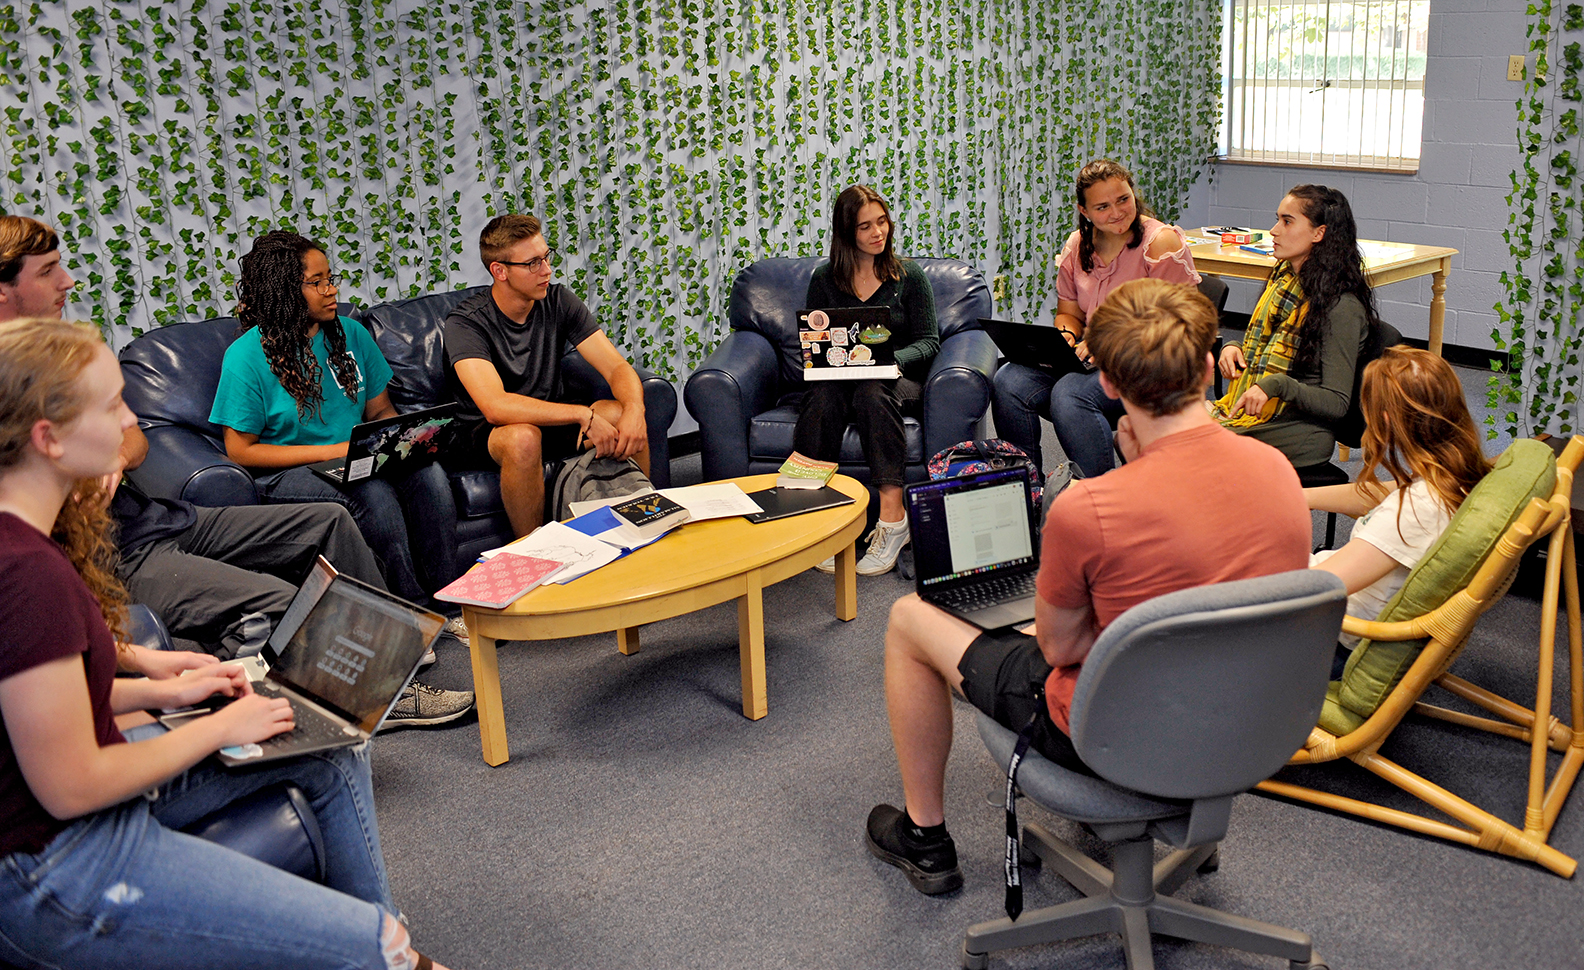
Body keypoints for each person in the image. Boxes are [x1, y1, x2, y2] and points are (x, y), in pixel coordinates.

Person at [0, 317, 453, 970]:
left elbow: (46, 697)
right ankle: (384, 949)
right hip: (63, 866)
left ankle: (380, 944)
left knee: (324, 751)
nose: (132, 421)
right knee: (377, 948)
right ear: (49, 439)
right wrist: (219, 728)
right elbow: (72, 785)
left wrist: (168, 689)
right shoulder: (28, 572)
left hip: (76, 825)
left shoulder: (26, 546)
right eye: (112, 406)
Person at [865, 278, 1311, 895]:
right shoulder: (1279, 473)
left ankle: (925, 839)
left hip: (1111, 734)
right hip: (1249, 725)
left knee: (910, 620)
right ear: (1210, 368)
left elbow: (1061, 651)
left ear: (1107, 385)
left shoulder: (1089, 507)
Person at [0, 215, 469, 726]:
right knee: (289, 602)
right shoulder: (20, 381)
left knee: (329, 521)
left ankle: (395, 651)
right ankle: (379, 692)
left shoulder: (56, 351)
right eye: (49, 270)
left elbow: (134, 437)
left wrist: (111, 457)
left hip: (158, 517)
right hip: (115, 552)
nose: (68, 280)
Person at [211, 231, 463, 610]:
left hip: (355, 457)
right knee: (373, 497)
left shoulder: (351, 334)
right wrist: (334, 451)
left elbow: (379, 412)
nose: (331, 290)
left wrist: (398, 444)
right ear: (284, 290)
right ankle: (408, 613)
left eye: (331, 278)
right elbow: (240, 451)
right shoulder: (245, 357)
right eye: (317, 282)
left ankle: (450, 600)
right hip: (290, 469)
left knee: (429, 475)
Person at [991, 159, 1201, 477]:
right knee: (1008, 381)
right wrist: (1065, 335)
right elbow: (1069, 313)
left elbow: (1184, 322)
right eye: (1102, 206)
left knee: (1070, 394)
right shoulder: (1078, 245)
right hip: (1090, 357)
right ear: (1084, 211)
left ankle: (1100, 498)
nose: (1116, 212)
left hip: (1148, 364)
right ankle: (1025, 489)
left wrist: (1109, 341)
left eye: (1123, 199)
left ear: (1134, 194)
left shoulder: (1160, 243)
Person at [445, 214, 649, 537]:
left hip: (548, 418)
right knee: (523, 438)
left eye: (546, 257)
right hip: (486, 433)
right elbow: (495, 406)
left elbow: (617, 368)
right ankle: (536, 551)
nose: (547, 270)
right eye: (532, 264)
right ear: (500, 271)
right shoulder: (465, 323)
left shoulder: (557, 300)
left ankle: (646, 523)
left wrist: (636, 410)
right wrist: (583, 415)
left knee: (621, 412)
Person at [1307, 347, 1491, 665]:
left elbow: (1314, 589)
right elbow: (1376, 495)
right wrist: (1296, 496)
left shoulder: (1416, 510)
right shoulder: (1452, 478)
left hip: (1332, 641)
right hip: (1342, 615)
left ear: (1387, 420)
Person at [796, 185, 939, 576]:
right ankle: (823, 521)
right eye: (865, 227)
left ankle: (893, 522)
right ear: (846, 233)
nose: (878, 233)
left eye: (882, 222)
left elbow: (929, 342)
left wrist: (891, 361)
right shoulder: (824, 279)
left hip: (898, 382)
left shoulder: (909, 277)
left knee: (872, 391)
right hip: (843, 380)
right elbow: (814, 338)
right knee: (825, 394)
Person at [1213, 184, 1376, 468]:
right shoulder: (1284, 280)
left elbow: (1337, 402)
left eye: (1287, 221)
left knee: (1181, 448)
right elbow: (1265, 345)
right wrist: (1233, 347)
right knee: (1153, 433)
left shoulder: (1341, 306)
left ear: (1319, 233)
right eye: (1277, 219)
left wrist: (1277, 385)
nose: (1274, 230)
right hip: (1265, 415)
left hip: (1300, 430)